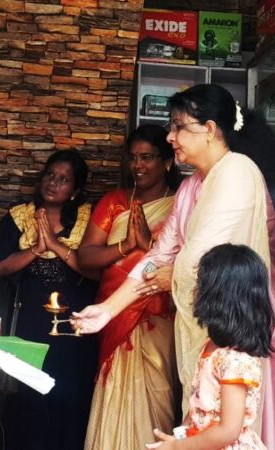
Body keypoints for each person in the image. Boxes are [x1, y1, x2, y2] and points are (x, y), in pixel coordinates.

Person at [72, 84, 275, 450]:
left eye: (178, 126)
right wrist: (106, 310)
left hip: (250, 323)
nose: (170, 136)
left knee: (236, 431)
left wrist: (170, 276)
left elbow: (199, 258)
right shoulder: (190, 186)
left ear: (209, 129)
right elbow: (160, 256)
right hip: (216, 322)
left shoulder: (237, 172)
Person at [76, 124, 182, 450]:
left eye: (147, 157)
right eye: (133, 157)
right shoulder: (115, 202)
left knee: (158, 397)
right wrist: (126, 246)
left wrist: (148, 243)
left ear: (167, 162)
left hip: (159, 317)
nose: (138, 165)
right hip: (114, 315)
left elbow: (184, 263)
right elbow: (85, 257)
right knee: (113, 396)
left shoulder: (180, 205)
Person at [0, 150, 98, 450]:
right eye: (50, 175)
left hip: (74, 330)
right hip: (30, 326)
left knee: (68, 395)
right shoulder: (19, 217)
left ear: (75, 190)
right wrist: (36, 249)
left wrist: (54, 244)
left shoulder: (89, 219)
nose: (53, 183)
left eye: (64, 179)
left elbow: (96, 272)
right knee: (29, 395)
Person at [146, 244, 273, 450]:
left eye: (201, 283)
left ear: (219, 296)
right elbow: (199, 407)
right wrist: (179, 437)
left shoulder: (234, 360)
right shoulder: (212, 347)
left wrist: (177, 447)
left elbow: (228, 431)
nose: (195, 290)